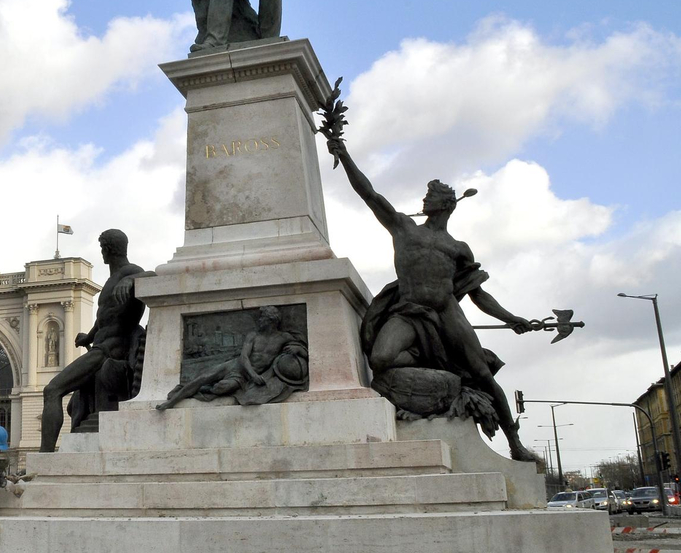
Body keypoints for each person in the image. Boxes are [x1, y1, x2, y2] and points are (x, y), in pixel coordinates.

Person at [328, 131, 537, 461]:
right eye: (426, 196)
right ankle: (420, 355)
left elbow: (478, 295)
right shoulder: (403, 228)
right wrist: (344, 154)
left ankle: (514, 443)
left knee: (482, 374)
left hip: (447, 312)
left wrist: (512, 319)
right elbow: (370, 194)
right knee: (381, 359)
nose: (425, 201)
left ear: (446, 205)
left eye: (432, 197)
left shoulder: (457, 248)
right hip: (408, 312)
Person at [40, 229, 150, 452]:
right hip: (99, 346)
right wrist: (88, 336)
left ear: (108, 249)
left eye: (102, 248)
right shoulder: (110, 280)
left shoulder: (131, 271)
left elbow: (154, 276)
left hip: (110, 352)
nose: (102, 253)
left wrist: (131, 281)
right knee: (73, 405)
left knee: (52, 390)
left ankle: (45, 455)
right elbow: (104, 320)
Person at [156, 305, 307, 409]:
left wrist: (298, 350)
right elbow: (244, 357)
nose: (259, 321)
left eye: (262, 318)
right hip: (235, 366)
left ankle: (202, 389)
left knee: (221, 388)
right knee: (202, 378)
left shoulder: (284, 338)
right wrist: (253, 375)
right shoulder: (253, 335)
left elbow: (307, 354)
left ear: (270, 320)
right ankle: (171, 403)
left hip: (241, 377)